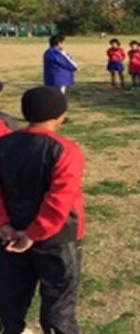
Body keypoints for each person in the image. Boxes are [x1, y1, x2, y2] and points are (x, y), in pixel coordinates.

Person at [0, 86, 85, 334]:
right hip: (57, 240)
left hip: (11, 234)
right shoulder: (66, 150)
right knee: (59, 303)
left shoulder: (4, 143)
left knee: (12, 296)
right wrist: (34, 234)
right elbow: (59, 201)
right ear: (60, 115)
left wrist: (4, 224)